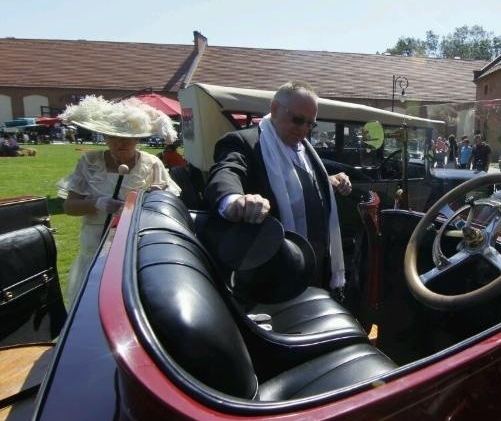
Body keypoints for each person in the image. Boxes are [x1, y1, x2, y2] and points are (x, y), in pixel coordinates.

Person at [203, 80, 353, 292]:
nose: (303, 129)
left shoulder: (304, 148)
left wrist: (328, 182)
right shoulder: (243, 142)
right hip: (272, 269)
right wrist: (235, 199)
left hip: (314, 260)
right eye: (298, 120)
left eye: (311, 124)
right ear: (274, 109)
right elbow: (228, 170)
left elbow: (299, 181)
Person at [56, 95, 181, 306]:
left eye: (127, 137)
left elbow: (165, 206)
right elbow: (69, 207)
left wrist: (144, 205)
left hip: (135, 247)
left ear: (138, 139)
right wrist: (97, 203)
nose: (120, 142)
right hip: (94, 246)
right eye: (112, 136)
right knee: (92, 306)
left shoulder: (152, 163)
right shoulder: (89, 161)